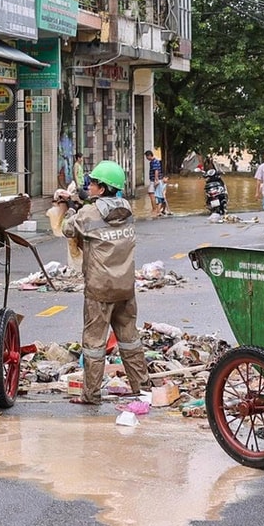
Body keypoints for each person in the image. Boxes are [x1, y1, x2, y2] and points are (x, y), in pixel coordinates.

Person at [59, 161, 152, 405]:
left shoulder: (88, 214)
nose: (89, 186)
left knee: (94, 344)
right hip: (125, 288)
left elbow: (67, 229)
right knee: (130, 340)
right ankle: (142, 388)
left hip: (100, 290)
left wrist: (70, 210)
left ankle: (91, 395)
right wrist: (83, 201)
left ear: (101, 189)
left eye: (92, 183)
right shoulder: (128, 210)